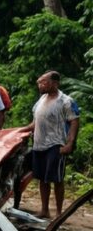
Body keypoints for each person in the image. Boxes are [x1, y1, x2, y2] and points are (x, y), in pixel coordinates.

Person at [22, 71, 80, 218]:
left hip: (56, 144)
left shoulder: (65, 101)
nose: (40, 85)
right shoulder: (41, 100)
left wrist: (70, 143)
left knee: (56, 179)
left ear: (55, 83)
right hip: (39, 144)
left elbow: (74, 121)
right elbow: (34, 123)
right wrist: (18, 131)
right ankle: (44, 210)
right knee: (42, 179)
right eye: (39, 83)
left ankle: (59, 213)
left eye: (43, 82)